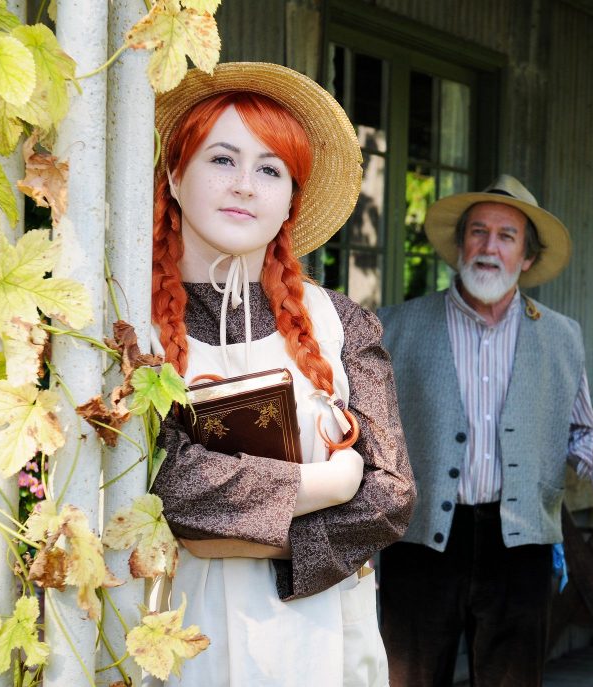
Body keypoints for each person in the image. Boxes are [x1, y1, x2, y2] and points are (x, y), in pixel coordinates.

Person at [147, 62, 416, 687]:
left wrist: (223, 533)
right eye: (222, 159)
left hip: (317, 640)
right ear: (174, 174)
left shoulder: (343, 323)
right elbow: (166, 484)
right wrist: (328, 483)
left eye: (270, 169)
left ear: (290, 199)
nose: (245, 185)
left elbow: (391, 498)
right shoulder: (125, 321)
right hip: (169, 633)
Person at [376, 174, 593, 686]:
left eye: (506, 236)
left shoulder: (561, 337)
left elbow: (581, 434)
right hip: (419, 543)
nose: (489, 247)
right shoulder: (395, 326)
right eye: (478, 232)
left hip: (520, 548)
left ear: (527, 259)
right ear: (459, 246)